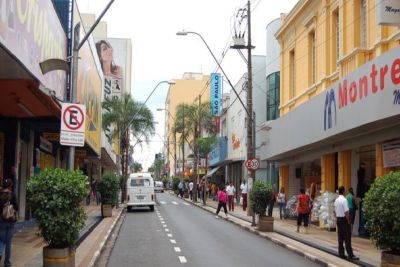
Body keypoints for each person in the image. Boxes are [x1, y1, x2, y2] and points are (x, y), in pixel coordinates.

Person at [334, 186, 359, 260]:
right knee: (347, 237)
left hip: (338, 219)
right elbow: (346, 212)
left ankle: (341, 253)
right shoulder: (344, 200)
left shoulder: (336, 200)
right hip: (344, 220)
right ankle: (350, 254)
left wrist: (336, 219)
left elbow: (335, 211)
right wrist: (348, 220)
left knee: (340, 237)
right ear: (344, 191)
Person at [0, 179, 18, 266]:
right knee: (8, 242)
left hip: (2, 221)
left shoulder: (0, 193)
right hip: (11, 221)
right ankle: (7, 263)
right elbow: (17, 207)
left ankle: (0, 252)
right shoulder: (12, 194)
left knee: (2, 240)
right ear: (10, 186)